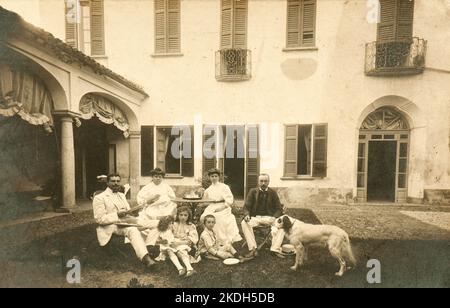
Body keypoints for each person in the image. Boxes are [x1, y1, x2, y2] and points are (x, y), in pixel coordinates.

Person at [92, 173, 155, 267]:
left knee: (153, 224)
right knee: (132, 230)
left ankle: (150, 248)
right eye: (113, 181)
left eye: (118, 181)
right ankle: (146, 258)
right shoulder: (99, 198)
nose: (116, 183)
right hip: (111, 226)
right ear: (107, 183)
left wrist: (136, 209)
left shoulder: (121, 195)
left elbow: (128, 210)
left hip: (125, 221)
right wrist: (117, 214)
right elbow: (99, 219)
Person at [241, 174, 286, 259]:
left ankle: (275, 249)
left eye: (265, 181)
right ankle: (253, 248)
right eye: (261, 181)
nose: (263, 183)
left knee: (282, 225)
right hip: (255, 217)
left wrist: (274, 217)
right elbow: (246, 206)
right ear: (258, 182)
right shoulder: (252, 191)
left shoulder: (273, 193)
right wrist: (246, 214)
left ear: (268, 182)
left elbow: (279, 208)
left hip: (269, 218)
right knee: (244, 223)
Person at [200, 168, 242, 245]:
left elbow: (229, 200)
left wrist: (221, 208)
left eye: (216, 176)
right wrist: (202, 193)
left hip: (224, 206)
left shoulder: (224, 187)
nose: (214, 178)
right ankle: (208, 237)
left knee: (217, 217)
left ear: (219, 177)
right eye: (212, 176)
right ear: (209, 178)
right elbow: (204, 202)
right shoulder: (208, 189)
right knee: (203, 217)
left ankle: (220, 240)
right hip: (212, 206)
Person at [171, 206, 199, 277]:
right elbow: (169, 235)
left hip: (186, 243)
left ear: (188, 216)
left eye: (185, 215)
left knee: (181, 250)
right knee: (169, 250)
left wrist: (179, 242)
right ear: (178, 215)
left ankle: (189, 268)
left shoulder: (190, 225)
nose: (183, 217)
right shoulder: (174, 224)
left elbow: (192, 239)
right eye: (181, 215)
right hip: (174, 243)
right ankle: (180, 268)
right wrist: (173, 241)